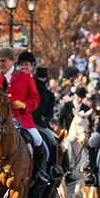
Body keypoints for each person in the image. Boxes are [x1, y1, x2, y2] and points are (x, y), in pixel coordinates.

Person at [0, 46, 50, 186]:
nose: (0, 64)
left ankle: (39, 173)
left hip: (21, 119)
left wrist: (25, 105)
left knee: (38, 141)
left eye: (3, 61)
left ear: (12, 61)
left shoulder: (25, 77)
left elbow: (35, 98)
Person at [20, 52, 65, 182]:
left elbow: (42, 104)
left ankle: (50, 169)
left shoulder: (38, 84)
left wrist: (33, 115)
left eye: (26, 65)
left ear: (32, 66)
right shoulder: (12, 81)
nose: (24, 67)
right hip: (15, 120)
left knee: (52, 140)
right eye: (21, 65)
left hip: (35, 121)